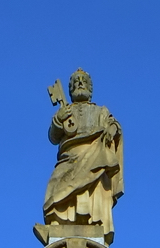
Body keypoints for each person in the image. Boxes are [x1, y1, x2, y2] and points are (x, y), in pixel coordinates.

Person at [43, 69, 124, 237]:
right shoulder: (65, 111)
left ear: (90, 88)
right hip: (68, 159)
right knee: (55, 185)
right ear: (71, 89)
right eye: (76, 82)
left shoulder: (100, 111)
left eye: (83, 81)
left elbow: (114, 124)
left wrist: (112, 128)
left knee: (94, 181)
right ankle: (58, 222)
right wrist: (59, 119)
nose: (80, 83)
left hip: (94, 156)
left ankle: (92, 222)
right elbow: (53, 136)